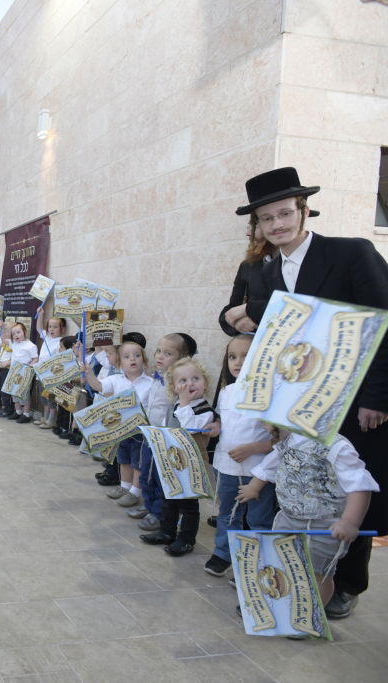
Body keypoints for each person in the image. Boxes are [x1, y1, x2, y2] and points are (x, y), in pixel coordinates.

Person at [230, 167, 388, 618]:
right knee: (298, 489)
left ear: (303, 210)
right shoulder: (262, 272)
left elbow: (384, 319)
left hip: (354, 403)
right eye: (266, 218)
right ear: (257, 226)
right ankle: (299, 575)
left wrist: (378, 396)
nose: (277, 224)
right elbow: (265, 326)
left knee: (348, 492)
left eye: (284, 213)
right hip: (296, 404)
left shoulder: (352, 253)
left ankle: (348, 582)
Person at [237, 428, 379, 606]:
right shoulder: (287, 440)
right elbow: (272, 464)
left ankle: (311, 615)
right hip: (288, 517)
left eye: (267, 420)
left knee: (316, 573)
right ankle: (285, 607)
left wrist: (350, 521)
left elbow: (358, 483)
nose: (263, 426)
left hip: (324, 523)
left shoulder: (336, 446)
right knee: (282, 562)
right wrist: (254, 487)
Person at [201, 334, 276, 577]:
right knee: (227, 513)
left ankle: (258, 564)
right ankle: (223, 552)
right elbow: (225, 420)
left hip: (257, 471)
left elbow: (279, 441)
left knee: (258, 518)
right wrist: (216, 427)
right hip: (226, 466)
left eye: (246, 355)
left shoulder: (270, 395)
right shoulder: (227, 391)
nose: (238, 362)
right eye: (233, 356)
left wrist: (253, 448)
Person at [140, 357, 214, 556]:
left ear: (205, 382)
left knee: (189, 505)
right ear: (173, 387)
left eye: (195, 378)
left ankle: (187, 539)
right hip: (172, 461)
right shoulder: (175, 406)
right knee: (169, 499)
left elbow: (191, 427)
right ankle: (167, 531)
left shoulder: (204, 409)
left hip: (191, 465)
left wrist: (184, 402)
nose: (189, 384)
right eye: (183, 381)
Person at [82, 341, 154, 508]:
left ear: (143, 359)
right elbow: (99, 387)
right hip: (121, 431)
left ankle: (135, 492)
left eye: (137, 355)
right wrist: (89, 374)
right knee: (123, 460)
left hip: (140, 433)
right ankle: (124, 487)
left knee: (138, 463)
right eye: (127, 357)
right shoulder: (115, 379)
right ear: (120, 362)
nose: (132, 359)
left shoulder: (150, 383)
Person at [7, 322, 38, 423]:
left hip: (24, 373)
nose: (16, 335)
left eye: (18, 332)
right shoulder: (14, 344)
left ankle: (26, 414)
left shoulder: (31, 346)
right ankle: (18, 411)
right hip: (13, 372)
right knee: (14, 394)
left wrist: (29, 367)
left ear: (25, 332)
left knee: (24, 395)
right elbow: (3, 339)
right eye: (14, 333)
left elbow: (35, 359)